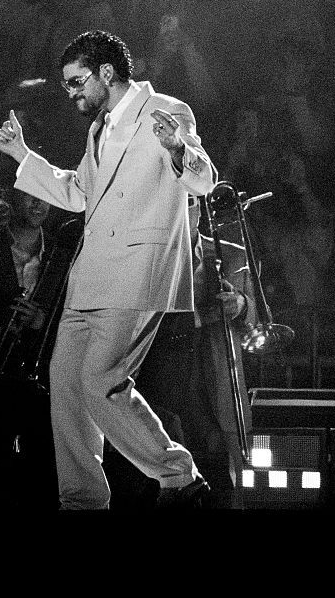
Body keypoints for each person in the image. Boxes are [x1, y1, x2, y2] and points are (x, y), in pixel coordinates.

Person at [0, 29, 216, 510]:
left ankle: (179, 476)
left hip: (137, 274)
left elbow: (203, 181)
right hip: (89, 279)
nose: (71, 93)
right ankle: (82, 501)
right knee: (67, 386)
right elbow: (79, 193)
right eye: (67, 85)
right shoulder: (100, 127)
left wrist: (178, 149)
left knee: (100, 381)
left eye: (77, 82)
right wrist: (23, 156)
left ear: (106, 73)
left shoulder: (166, 111)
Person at [103, 196, 255, 510]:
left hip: (209, 375)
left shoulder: (230, 254)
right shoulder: (144, 252)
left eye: (191, 202)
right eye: (177, 201)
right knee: (151, 477)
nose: (185, 210)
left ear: (201, 207)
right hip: (158, 371)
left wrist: (241, 304)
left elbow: (253, 318)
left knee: (218, 478)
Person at [0, 187, 78, 507]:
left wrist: (42, 322)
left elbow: (81, 325)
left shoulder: (64, 256)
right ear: (12, 196)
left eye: (45, 194)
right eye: (30, 193)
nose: (39, 203)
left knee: (46, 486)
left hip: (46, 388)